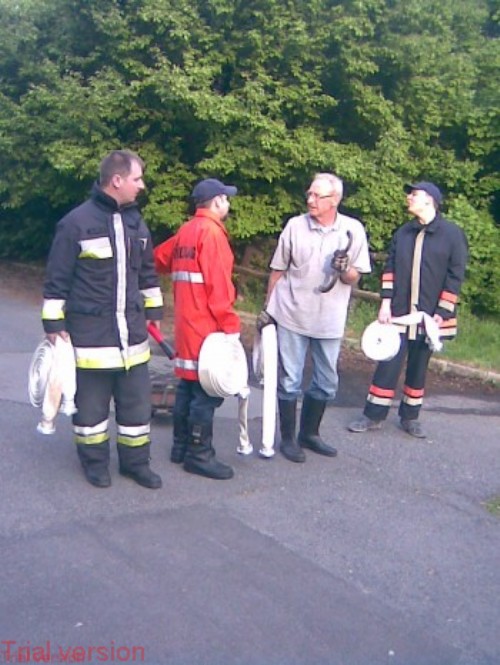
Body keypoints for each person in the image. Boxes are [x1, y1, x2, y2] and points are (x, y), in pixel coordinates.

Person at [42, 149, 164, 489]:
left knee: (137, 410)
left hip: (133, 339)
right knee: (91, 412)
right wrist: (53, 326)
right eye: (137, 179)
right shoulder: (76, 223)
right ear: (117, 180)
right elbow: (56, 279)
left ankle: (136, 464)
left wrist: (154, 312)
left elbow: (148, 273)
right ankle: (95, 464)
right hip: (91, 339)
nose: (142, 185)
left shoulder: (137, 223)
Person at [260, 172, 371, 462]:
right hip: (292, 313)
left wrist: (345, 268)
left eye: (317, 196)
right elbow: (278, 270)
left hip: (329, 319)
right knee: (290, 380)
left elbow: (354, 278)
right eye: (309, 194)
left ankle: (309, 434)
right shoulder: (295, 226)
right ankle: (288, 440)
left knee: (326, 382)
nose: (310, 200)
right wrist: (267, 310)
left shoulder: (352, 230)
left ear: (334, 200)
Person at [348, 181, 468, 438]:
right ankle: (373, 415)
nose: (409, 198)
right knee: (387, 363)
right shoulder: (403, 232)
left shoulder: (452, 234)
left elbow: (455, 276)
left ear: (429, 200)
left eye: (414, 194)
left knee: (418, 367)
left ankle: (410, 417)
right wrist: (385, 302)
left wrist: (442, 312)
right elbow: (390, 269)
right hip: (400, 313)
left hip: (431, 316)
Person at [154, 178, 240, 480]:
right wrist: (231, 327)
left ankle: (180, 447)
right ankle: (199, 455)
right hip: (207, 327)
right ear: (216, 202)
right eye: (226, 199)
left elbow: (157, 259)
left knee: (187, 387)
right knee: (206, 393)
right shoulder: (212, 234)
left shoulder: (186, 231)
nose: (228, 204)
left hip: (186, 325)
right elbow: (219, 287)